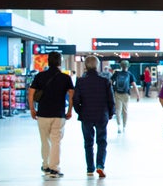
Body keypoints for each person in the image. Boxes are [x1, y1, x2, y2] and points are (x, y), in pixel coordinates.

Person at [28, 51, 74, 179]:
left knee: (45, 141)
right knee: (56, 142)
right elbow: (71, 95)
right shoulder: (65, 78)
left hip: (42, 114)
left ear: (48, 61)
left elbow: (31, 93)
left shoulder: (40, 76)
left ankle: (46, 165)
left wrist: (32, 109)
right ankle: (54, 168)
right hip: (58, 114)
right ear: (60, 62)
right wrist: (70, 110)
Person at [72, 55, 115, 178]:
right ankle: (100, 166)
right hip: (102, 115)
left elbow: (75, 99)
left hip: (86, 115)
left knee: (88, 142)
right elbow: (110, 99)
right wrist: (111, 113)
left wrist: (79, 111)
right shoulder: (105, 81)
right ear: (97, 66)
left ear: (85, 66)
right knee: (101, 141)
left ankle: (90, 168)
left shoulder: (80, 81)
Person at [110, 60, 141, 134]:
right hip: (126, 94)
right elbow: (134, 85)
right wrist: (138, 95)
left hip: (117, 93)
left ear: (121, 66)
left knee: (118, 110)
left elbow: (110, 83)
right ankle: (124, 126)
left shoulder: (116, 73)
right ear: (127, 67)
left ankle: (119, 126)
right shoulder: (129, 74)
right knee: (125, 110)